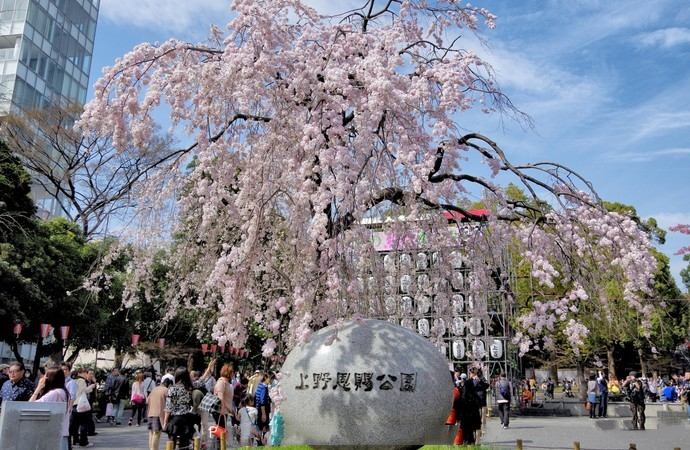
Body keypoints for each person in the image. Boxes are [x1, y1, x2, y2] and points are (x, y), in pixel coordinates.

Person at [163, 361, 215, 450]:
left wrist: (165, 422)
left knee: (171, 443)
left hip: (175, 419)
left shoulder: (172, 389)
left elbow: (168, 407)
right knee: (185, 444)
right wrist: (209, 368)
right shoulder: (189, 387)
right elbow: (201, 380)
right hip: (186, 419)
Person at [29, 366, 71, 450]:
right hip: (62, 432)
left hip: (51, 435)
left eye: (46, 376)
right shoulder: (64, 392)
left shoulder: (53, 394)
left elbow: (30, 406)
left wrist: (38, 388)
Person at [69, 367, 95, 448]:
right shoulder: (82, 380)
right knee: (84, 423)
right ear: (80, 373)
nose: (85, 374)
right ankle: (83, 441)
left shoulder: (73, 380)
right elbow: (84, 390)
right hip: (80, 404)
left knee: (74, 425)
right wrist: (91, 386)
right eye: (84, 372)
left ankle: (75, 440)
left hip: (73, 404)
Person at [147, 378, 171, 450]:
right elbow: (169, 404)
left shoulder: (154, 389)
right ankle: (154, 449)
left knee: (151, 432)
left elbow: (147, 400)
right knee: (156, 433)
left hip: (150, 412)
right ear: (168, 384)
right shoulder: (166, 390)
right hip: (159, 414)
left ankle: (151, 448)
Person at [255, 371, 274, 435]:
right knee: (263, 429)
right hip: (262, 410)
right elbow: (262, 401)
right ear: (266, 378)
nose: (271, 381)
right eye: (270, 379)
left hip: (258, 409)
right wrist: (264, 414)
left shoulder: (260, 385)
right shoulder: (264, 388)